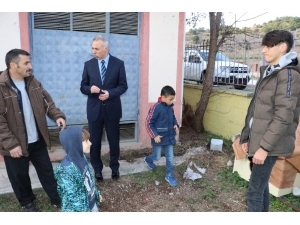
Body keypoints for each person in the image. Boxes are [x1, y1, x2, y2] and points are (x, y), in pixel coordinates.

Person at [240, 30, 300, 212]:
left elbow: (284, 116)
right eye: (263, 46)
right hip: (261, 140)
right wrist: (246, 137)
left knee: (254, 193)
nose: (264, 50)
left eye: (269, 46)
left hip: (269, 144)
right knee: (262, 186)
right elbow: (257, 108)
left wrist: (264, 148)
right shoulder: (270, 71)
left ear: (283, 47)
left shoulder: (288, 75)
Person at [0, 49, 66, 212]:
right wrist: (10, 144)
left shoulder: (32, 81)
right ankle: (27, 203)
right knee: (19, 176)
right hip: (15, 145)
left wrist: (56, 115)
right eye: (26, 63)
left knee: (47, 171)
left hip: (36, 140)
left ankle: (56, 198)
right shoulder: (1, 87)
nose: (31, 66)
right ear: (13, 65)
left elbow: (47, 101)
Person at [80, 35, 128, 182]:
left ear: (106, 48)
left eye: (97, 48)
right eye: (92, 48)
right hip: (94, 111)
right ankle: (97, 170)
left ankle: (115, 168)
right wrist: (90, 89)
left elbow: (123, 86)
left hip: (112, 109)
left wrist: (110, 93)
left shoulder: (118, 64)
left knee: (114, 141)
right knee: (94, 142)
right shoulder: (88, 65)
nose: (93, 51)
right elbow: (83, 86)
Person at [54, 126, 103, 212]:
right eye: (86, 141)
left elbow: (89, 179)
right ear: (75, 144)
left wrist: (96, 194)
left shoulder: (82, 157)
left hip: (90, 203)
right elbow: (73, 198)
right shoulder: (65, 170)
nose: (90, 143)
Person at [144, 85, 180, 187]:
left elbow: (173, 117)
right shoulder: (155, 107)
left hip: (169, 138)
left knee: (170, 157)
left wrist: (175, 124)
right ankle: (148, 159)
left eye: (173, 99)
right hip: (158, 138)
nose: (172, 101)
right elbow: (148, 123)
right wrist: (155, 135)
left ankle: (169, 175)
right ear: (163, 97)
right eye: (170, 99)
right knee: (157, 156)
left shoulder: (170, 107)